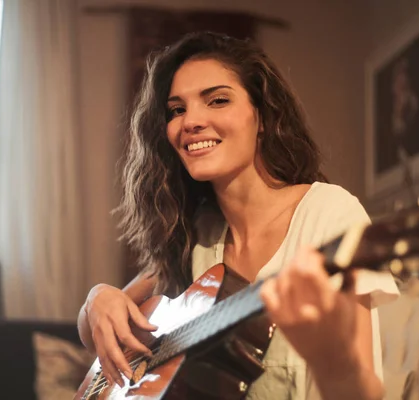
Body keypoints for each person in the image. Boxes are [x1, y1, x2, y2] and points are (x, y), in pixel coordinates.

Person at [77, 31, 399, 399]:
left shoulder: (329, 215)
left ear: (261, 117)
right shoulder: (197, 234)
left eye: (217, 100)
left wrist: (331, 362)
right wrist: (97, 299)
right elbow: (92, 334)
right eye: (177, 109)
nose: (191, 121)